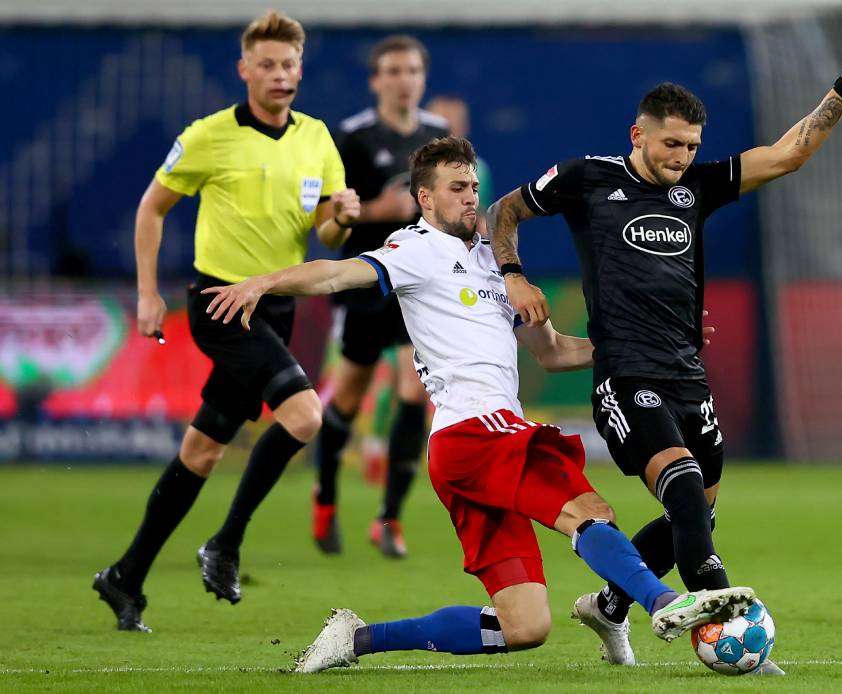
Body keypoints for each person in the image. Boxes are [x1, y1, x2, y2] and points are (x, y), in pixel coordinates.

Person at [195, 136, 754, 672]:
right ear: (425, 198)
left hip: (468, 453)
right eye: (457, 187)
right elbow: (337, 274)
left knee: (524, 626)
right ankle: (663, 604)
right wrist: (262, 283)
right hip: (476, 430)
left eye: (473, 186)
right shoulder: (414, 249)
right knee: (590, 512)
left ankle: (358, 638)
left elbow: (555, 352)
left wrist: (649, 346)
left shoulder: (495, 261)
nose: (470, 196)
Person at [488, 29, 842, 671]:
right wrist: (513, 273)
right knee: (680, 485)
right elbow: (504, 209)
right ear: (638, 135)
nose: (681, 156)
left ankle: (610, 606)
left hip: (685, 369)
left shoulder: (696, 189)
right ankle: (728, 621)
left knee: (697, 511)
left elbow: (787, 154)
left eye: (691, 146)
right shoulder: (585, 180)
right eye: (671, 143)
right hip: (622, 371)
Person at [91, 10, 360, 632]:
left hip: (279, 305)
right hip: (221, 301)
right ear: (244, 70)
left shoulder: (317, 138)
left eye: (289, 64)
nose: (279, 75)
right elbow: (152, 208)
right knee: (305, 415)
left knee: (204, 450)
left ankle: (125, 577)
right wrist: (146, 294)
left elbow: (322, 231)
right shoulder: (209, 135)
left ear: (301, 68)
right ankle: (226, 544)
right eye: (266, 64)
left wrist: (342, 215)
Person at [314, 35, 451, 558]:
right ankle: (325, 498)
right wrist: (378, 210)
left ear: (423, 76)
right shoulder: (352, 137)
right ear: (376, 81)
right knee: (348, 396)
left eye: (412, 69)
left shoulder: (438, 134)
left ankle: (389, 518)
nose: (404, 79)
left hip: (417, 286)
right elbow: (332, 216)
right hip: (367, 282)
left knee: (416, 393)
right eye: (393, 71)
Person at [425, 95, 493, 208]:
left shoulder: (479, 169)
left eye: (456, 122)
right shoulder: (412, 165)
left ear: (465, 127)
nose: (447, 134)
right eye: (441, 128)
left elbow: (480, 217)